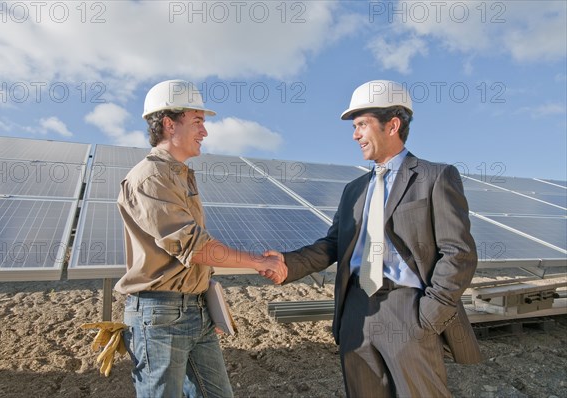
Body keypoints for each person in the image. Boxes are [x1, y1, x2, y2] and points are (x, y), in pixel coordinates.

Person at [264, 80, 482, 397]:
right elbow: (332, 245)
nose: (355, 135)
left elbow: (458, 253)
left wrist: (429, 315)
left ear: (392, 125)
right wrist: (288, 263)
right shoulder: (353, 190)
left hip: (408, 309)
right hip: (355, 311)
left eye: (362, 125)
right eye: (355, 127)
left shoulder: (435, 177)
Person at [115, 79, 287, 398]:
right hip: (160, 315)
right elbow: (195, 248)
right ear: (169, 124)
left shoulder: (178, 175)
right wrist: (260, 261)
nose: (204, 132)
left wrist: (206, 305)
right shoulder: (151, 178)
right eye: (197, 122)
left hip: (192, 309)